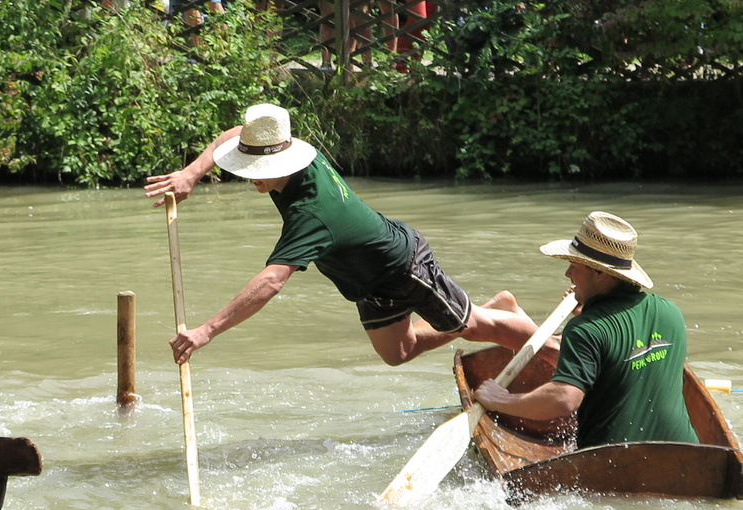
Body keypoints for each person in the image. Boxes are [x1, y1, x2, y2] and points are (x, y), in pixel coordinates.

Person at [143, 103, 539, 367]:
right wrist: (191, 174)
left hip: (402, 265)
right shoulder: (293, 153)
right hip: (365, 279)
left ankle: (559, 357)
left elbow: (269, 283)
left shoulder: (310, 215)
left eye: (254, 169)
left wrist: (205, 331)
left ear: (278, 161)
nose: (249, 177)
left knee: (471, 327)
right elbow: (235, 134)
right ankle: (497, 305)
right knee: (398, 353)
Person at [473, 212, 699, 448]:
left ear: (600, 273)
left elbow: (563, 399)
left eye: (574, 265)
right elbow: (627, 357)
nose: (568, 274)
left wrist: (501, 400)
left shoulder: (584, 330)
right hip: (687, 456)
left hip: (612, 466)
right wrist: (589, 311)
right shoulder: (670, 311)